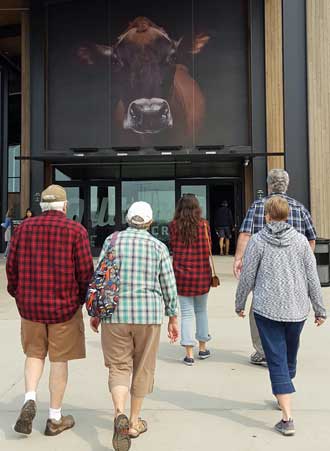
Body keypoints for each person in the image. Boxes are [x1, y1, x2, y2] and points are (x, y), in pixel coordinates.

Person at [90, 201, 178, 451]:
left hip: (114, 314)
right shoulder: (158, 247)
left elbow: (101, 277)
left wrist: (96, 312)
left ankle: (119, 413)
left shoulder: (111, 241)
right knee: (143, 368)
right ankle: (134, 421)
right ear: (149, 223)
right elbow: (168, 285)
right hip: (148, 315)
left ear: (128, 219)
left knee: (118, 366)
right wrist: (173, 316)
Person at [6, 184, 94, 437]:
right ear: (65, 206)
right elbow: (85, 272)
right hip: (64, 309)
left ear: (41, 206)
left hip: (30, 306)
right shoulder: (76, 230)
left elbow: (11, 267)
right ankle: (54, 417)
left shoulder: (23, 229)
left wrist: (17, 293)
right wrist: (79, 299)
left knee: (34, 354)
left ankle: (30, 398)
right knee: (59, 359)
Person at [235, 196, 326, 436]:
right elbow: (312, 277)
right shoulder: (300, 242)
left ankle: (287, 419)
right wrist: (319, 308)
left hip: (267, 310)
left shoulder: (257, 241)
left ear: (267, 216)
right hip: (297, 310)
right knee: (287, 356)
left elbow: (247, 276)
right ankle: (284, 396)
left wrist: (240, 302)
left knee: (278, 360)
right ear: (287, 216)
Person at [233, 169, 317, 366]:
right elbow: (311, 238)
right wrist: (305, 261)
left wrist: (239, 259)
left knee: (259, 306)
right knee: (293, 302)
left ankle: (263, 351)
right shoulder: (299, 207)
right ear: (286, 185)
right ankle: (286, 349)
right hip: (293, 268)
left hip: (264, 265)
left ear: (269, 185)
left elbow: (246, 234)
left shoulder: (258, 206)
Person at [169, 194, 212, 366]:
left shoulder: (173, 226)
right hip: (202, 274)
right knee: (201, 311)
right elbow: (209, 249)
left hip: (181, 275)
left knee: (186, 313)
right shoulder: (204, 225)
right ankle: (202, 348)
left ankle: (189, 354)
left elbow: (172, 247)